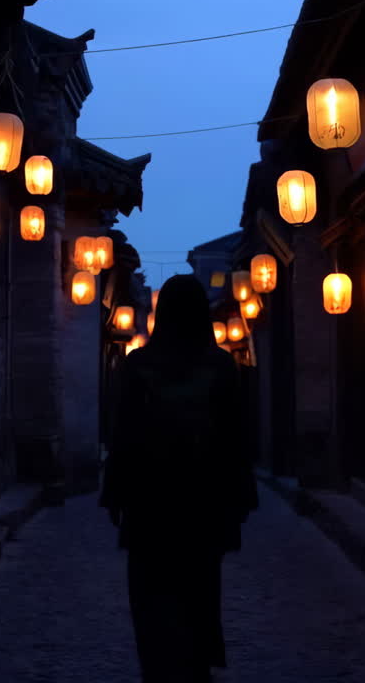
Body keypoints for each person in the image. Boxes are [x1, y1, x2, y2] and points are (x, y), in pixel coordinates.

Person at [100, 274, 258, 683]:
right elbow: (236, 438)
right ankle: (196, 662)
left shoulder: (139, 365)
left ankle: (158, 666)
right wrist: (240, 501)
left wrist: (115, 494)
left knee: (151, 592)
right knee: (199, 589)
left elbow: (124, 435)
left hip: (150, 502)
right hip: (204, 503)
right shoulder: (222, 366)